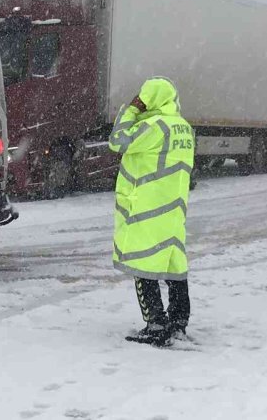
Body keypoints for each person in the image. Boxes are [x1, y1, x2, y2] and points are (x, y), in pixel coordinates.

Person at [108, 77, 195, 347]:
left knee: (142, 264)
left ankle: (155, 324)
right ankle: (178, 321)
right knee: (172, 264)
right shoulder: (183, 127)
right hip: (172, 207)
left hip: (147, 207)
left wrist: (130, 110)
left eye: (143, 97)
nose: (139, 101)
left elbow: (118, 141)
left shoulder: (153, 126)